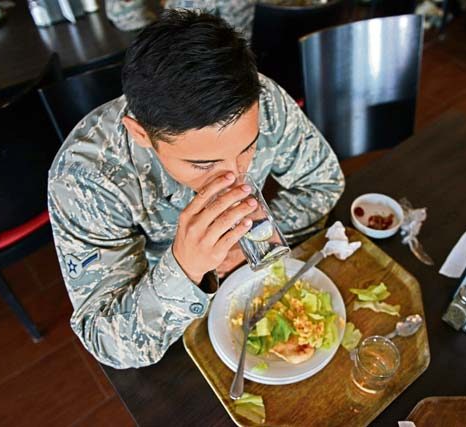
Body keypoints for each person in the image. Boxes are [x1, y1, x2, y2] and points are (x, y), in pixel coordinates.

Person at [47, 10, 344, 369]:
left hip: (251, 288)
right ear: (141, 133)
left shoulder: (263, 99)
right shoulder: (85, 177)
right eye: (203, 165)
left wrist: (258, 238)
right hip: (165, 324)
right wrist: (186, 268)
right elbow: (106, 341)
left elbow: (324, 182)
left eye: (247, 147)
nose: (233, 177)